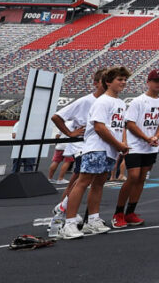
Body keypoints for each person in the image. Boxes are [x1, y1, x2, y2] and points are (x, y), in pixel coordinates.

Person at [61, 66, 131, 239]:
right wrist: (119, 144)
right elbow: (99, 127)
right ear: (108, 82)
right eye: (119, 80)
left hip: (109, 149)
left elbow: (118, 127)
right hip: (96, 147)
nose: (123, 83)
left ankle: (92, 220)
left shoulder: (121, 103)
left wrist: (121, 144)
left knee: (99, 183)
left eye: (124, 80)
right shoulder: (102, 101)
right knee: (83, 182)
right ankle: (69, 223)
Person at [113, 68, 159, 228]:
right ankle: (118, 212)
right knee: (133, 176)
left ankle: (130, 211)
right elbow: (130, 123)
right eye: (156, 81)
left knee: (142, 178)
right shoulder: (138, 101)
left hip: (151, 146)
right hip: (135, 145)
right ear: (148, 82)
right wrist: (146, 138)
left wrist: (156, 137)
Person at [50, 69, 106, 225]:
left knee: (87, 181)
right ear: (96, 83)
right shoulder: (85, 101)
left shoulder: (109, 101)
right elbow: (57, 117)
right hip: (81, 145)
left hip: (97, 145)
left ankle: (68, 211)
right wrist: (70, 133)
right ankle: (62, 211)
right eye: (104, 80)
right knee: (79, 180)